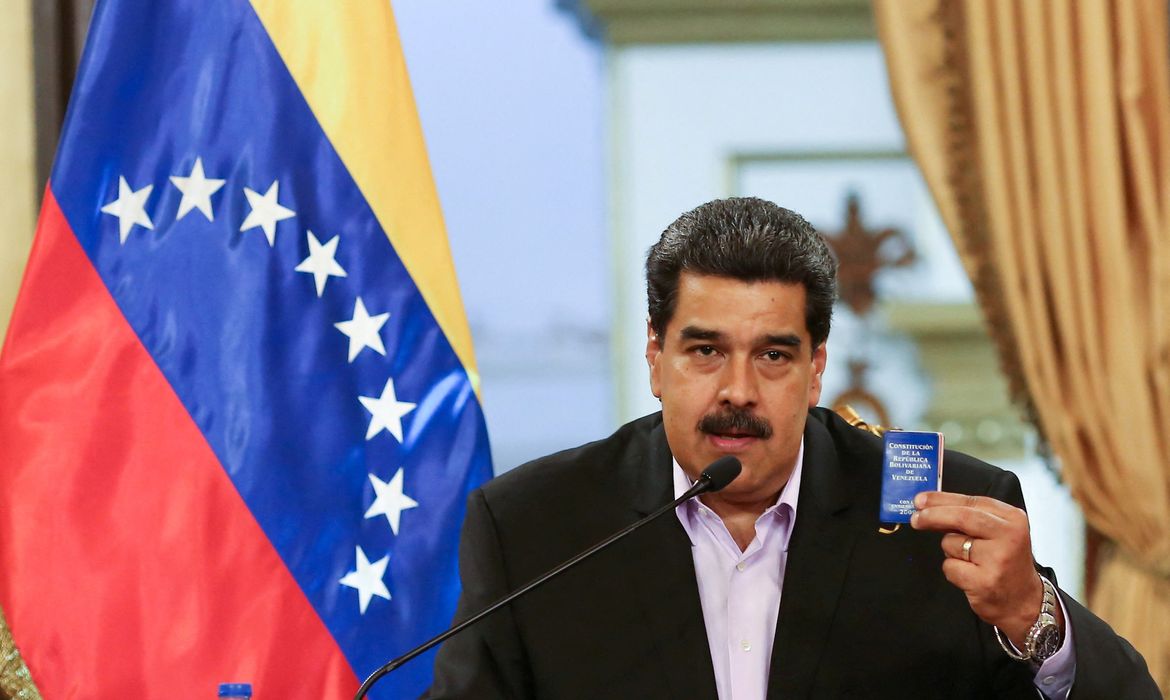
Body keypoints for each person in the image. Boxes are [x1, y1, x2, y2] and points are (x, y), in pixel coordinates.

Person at [426, 197, 1158, 699]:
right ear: (655, 357)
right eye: (705, 351)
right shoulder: (535, 527)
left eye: (773, 356)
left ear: (815, 370)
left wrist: (1032, 612)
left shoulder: (946, 518)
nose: (738, 390)